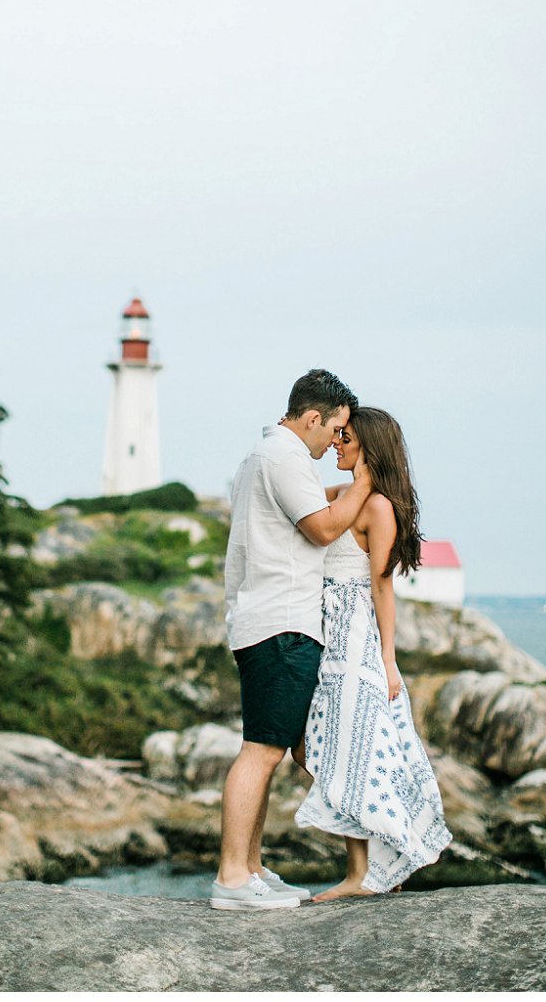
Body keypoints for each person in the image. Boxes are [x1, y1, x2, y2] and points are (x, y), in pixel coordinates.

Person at [210, 369, 374, 911]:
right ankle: (233, 879)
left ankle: (250, 869)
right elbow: (324, 528)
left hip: (268, 622)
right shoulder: (283, 457)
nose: (335, 443)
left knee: (270, 749)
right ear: (312, 418)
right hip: (281, 625)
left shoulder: (270, 458)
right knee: (260, 752)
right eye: (335, 430)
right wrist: (367, 483)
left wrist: (349, 489)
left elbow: (315, 505)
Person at [294, 405, 452, 898]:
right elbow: (295, 507)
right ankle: (370, 869)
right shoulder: (344, 494)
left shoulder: (378, 507)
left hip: (356, 642)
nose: (337, 444)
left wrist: (387, 662)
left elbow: (382, 588)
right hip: (327, 637)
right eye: (337, 436)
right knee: (317, 748)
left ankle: (363, 874)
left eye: (346, 439)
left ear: (370, 448)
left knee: (347, 751)